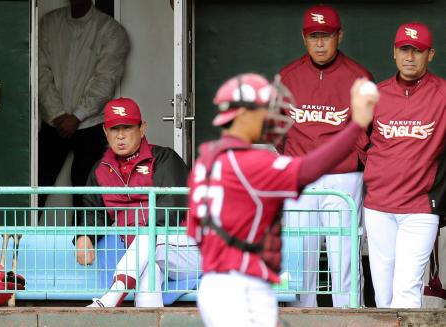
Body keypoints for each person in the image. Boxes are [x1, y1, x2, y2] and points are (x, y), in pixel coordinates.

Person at [187, 73, 378, 327]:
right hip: (242, 287)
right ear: (242, 114)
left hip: (217, 285)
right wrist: (356, 125)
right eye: (264, 110)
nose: (270, 117)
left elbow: (195, 230)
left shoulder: (207, 160)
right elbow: (309, 169)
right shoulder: (251, 163)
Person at [277, 4, 373, 307]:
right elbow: (276, 130)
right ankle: (302, 320)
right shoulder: (287, 77)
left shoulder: (358, 75)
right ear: (305, 38)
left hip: (342, 178)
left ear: (339, 36)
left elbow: (366, 131)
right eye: (314, 36)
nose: (320, 43)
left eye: (326, 36)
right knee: (300, 260)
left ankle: (348, 319)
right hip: (301, 176)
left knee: (342, 258)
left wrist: (349, 163)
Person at [75, 97, 199, 307]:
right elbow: (92, 210)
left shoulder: (163, 158)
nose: (121, 135)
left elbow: (174, 205)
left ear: (142, 129)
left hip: (188, 252)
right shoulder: (101, 169)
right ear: (105, 132)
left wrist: (143, 235)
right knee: (148, 278)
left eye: (128, 128)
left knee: (147, 237)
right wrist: (85, 235)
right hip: (147, 256)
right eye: (114, 129)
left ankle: (110, 298)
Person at [363, 22, 445, 308]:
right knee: (383, 294)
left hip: (419, 209)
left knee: (407, 289)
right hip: (378, 207)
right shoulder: (375, 93)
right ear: (394, 53)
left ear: (430, 54)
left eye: (417, 51)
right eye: (404, 50)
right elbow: (359, 143)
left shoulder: (443, 94)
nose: (410, 57)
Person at [38, 0, 130, 211]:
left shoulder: (110, 30)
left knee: (86, 190)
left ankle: (84, 242)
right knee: (37, 185)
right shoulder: (49, 24)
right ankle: (20, 242)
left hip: (90, 125)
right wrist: (58, 114)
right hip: (54, 123)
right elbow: (40, 72)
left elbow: (106, 79)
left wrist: (77, 116)